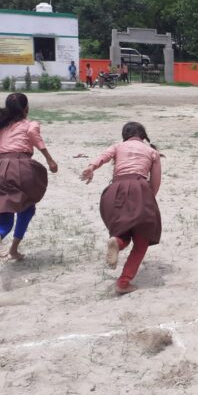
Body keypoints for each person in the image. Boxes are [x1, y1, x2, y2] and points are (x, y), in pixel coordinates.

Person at [80, 122, 162, 294]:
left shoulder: (118, 146)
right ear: (143, 136)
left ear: (124, 135)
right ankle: (123, 283)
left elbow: (103, 157)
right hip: (140, 190)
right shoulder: (152, 152)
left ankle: (116, 242)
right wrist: (147, 200)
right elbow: (155, 183)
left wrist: (91, 167)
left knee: (123, 231)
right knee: (141, 241)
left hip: (114, 192)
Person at [0, 93, 58, 261]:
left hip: (0, 168)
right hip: (21, 165)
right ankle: (14, 249)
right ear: (26, 109)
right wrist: (49, 159)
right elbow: (34, 135)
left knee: (4, 208)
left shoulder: (0, 127)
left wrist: (2, 168)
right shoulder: (30, 124)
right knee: (27, 207)